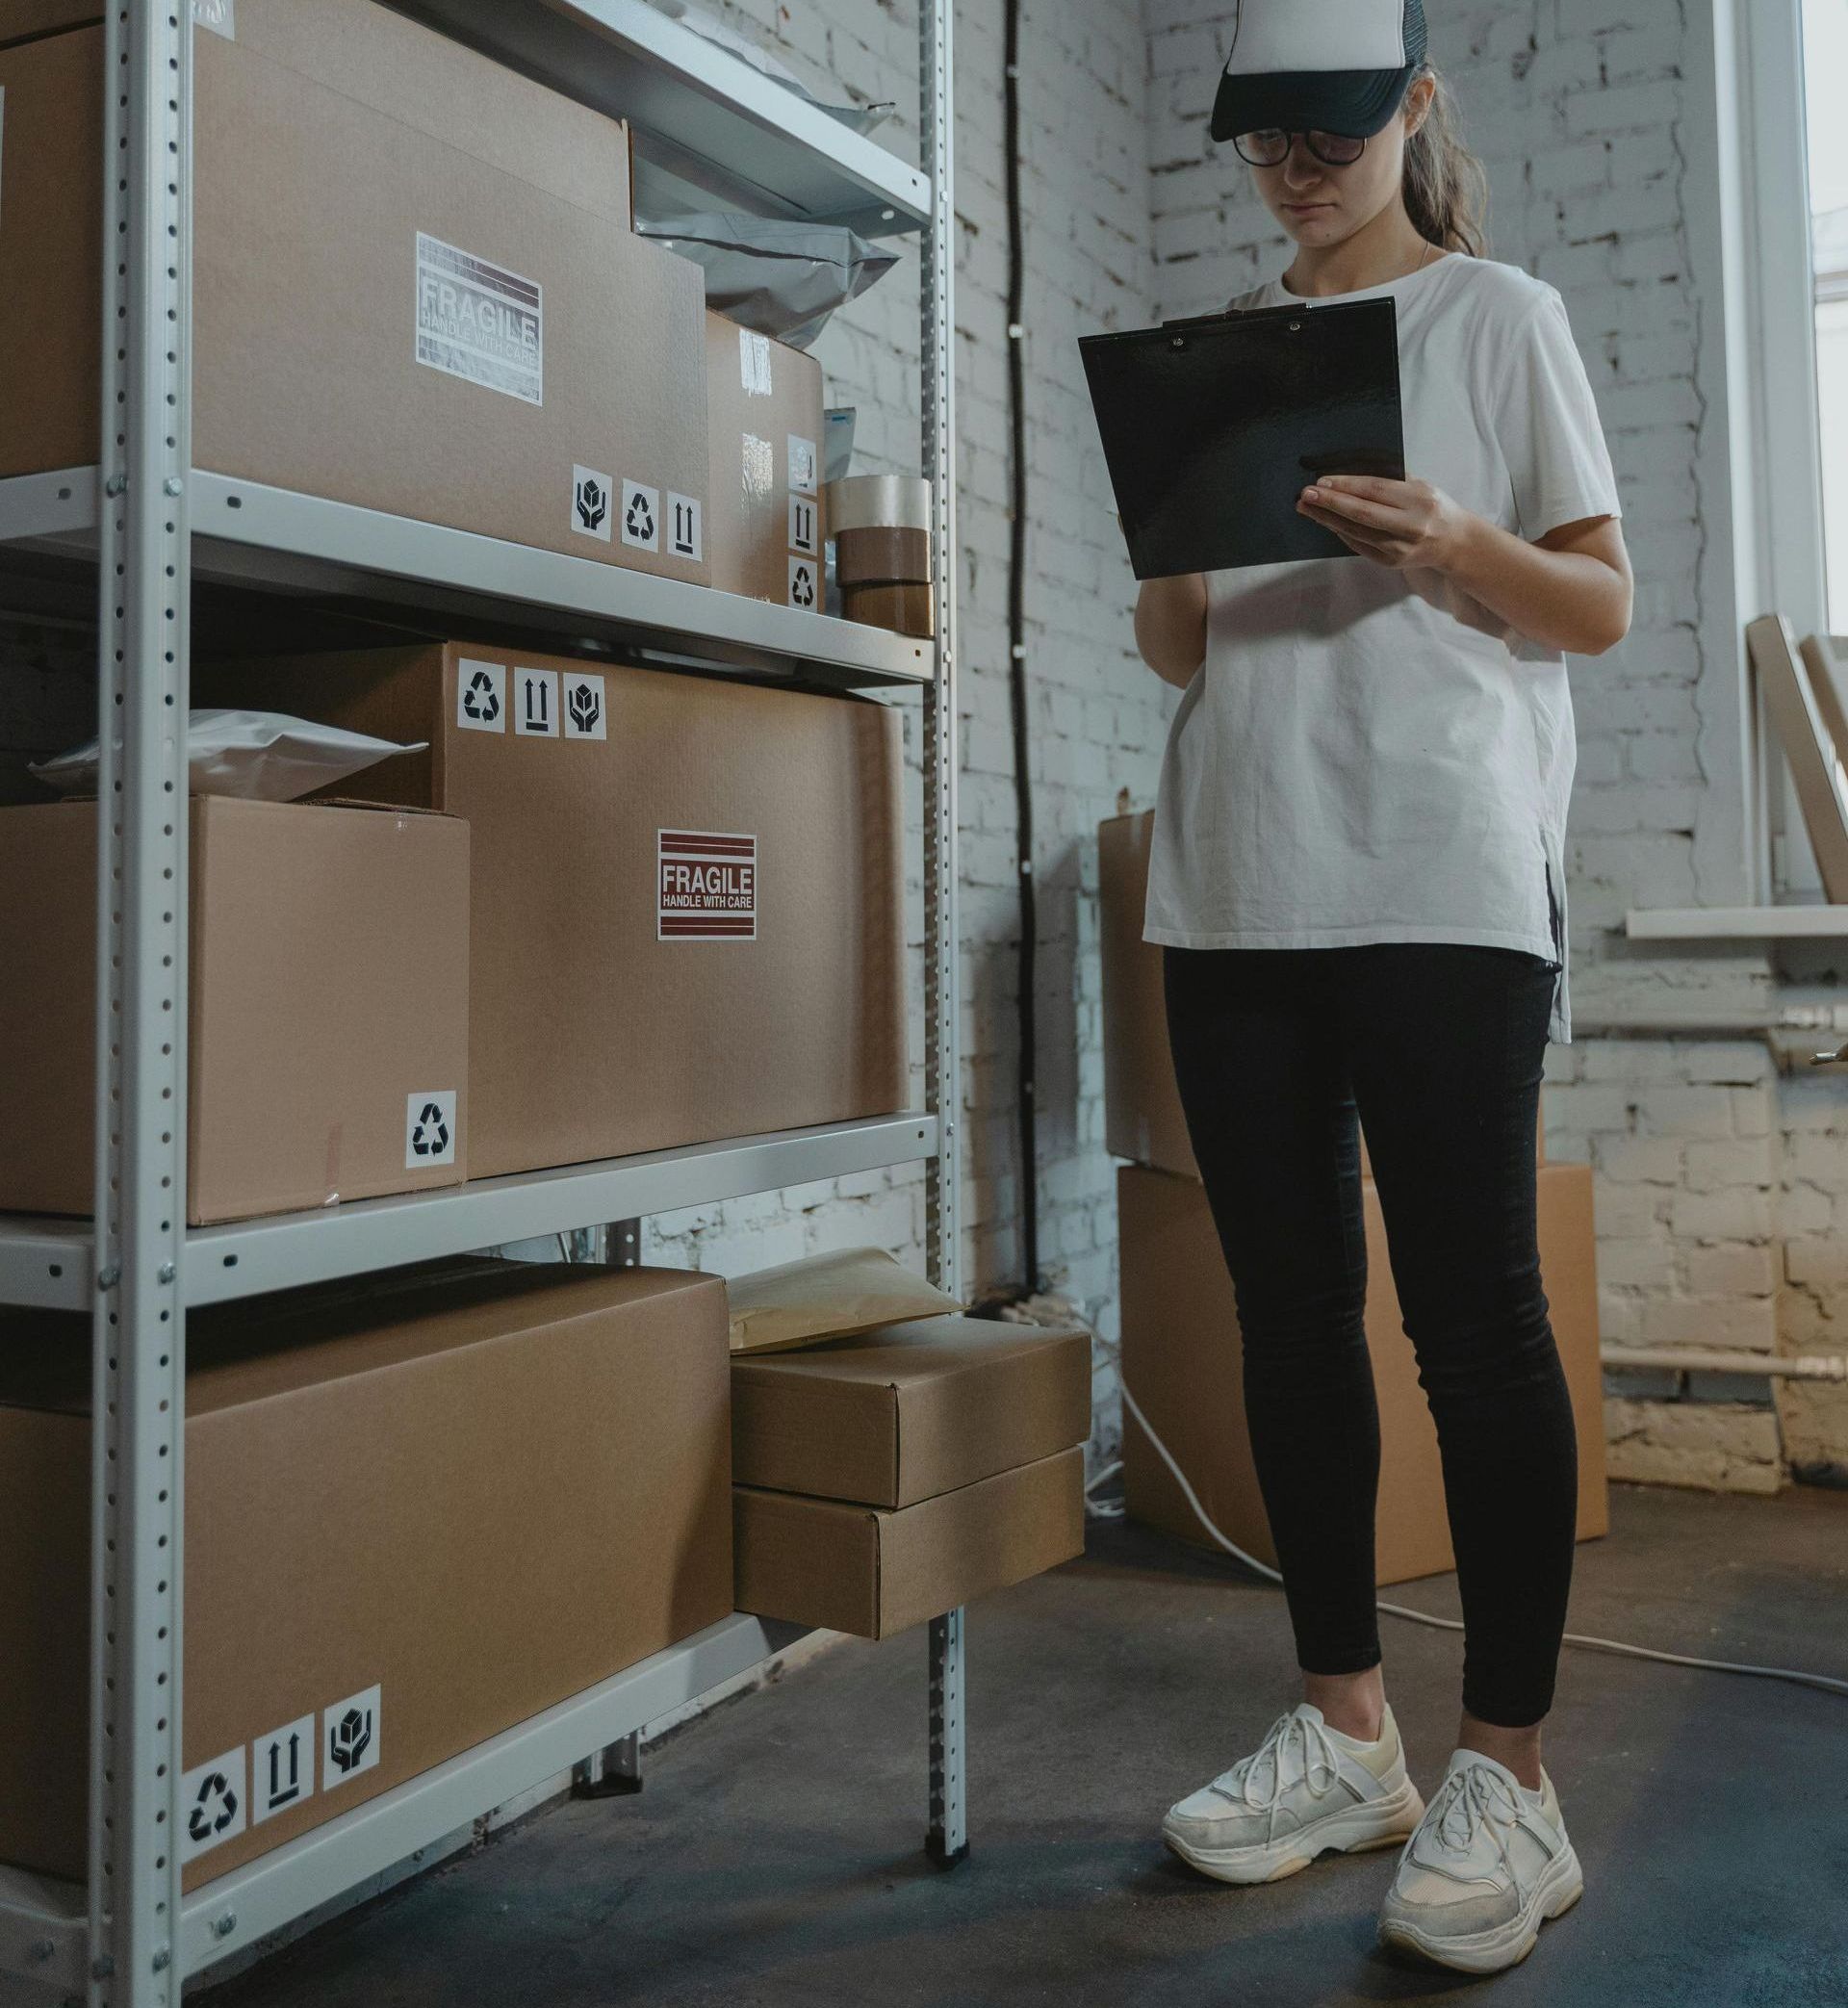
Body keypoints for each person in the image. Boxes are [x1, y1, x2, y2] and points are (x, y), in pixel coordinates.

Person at [1133, 0, 1631, 1979]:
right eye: (1264, 137)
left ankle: (1511, 1773)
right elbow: (1185, 652)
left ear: (1414, 110)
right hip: (1235, 873)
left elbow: (1592, 602)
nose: (1296, 166)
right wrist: (1174, 552)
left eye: (1333, 130)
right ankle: (1351, 1732)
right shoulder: (1212, 366)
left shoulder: (1501, 322)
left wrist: (1454, 542)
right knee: (1285, 1311)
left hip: (1439, 872)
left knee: (1476, 1317)